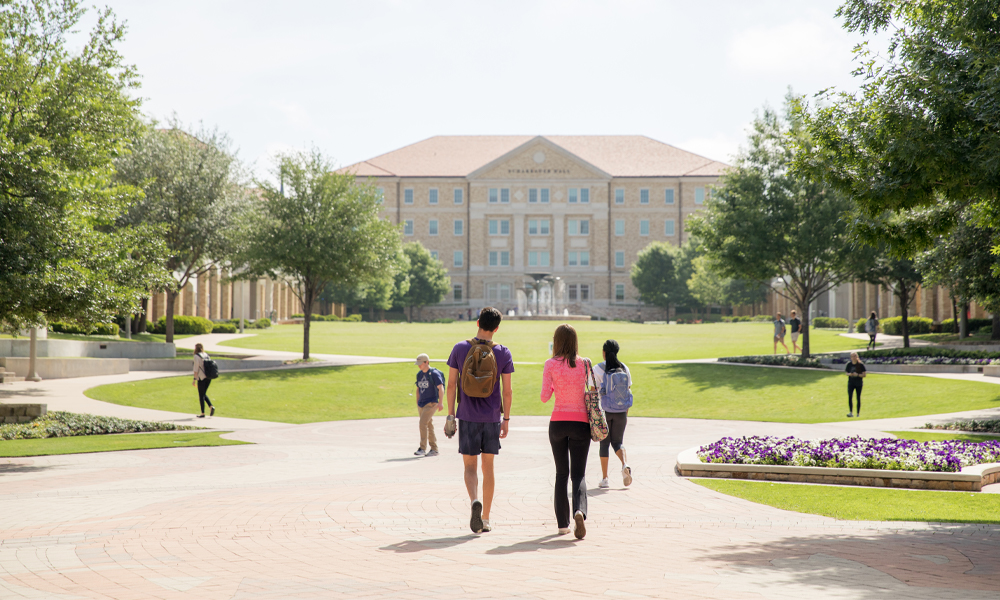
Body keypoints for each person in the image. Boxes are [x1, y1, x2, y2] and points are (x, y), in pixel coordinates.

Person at [445, 307, 514, 534]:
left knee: (469, 466)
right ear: (496, 328)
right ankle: (485, 518)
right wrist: (506, 419)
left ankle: (475, 500)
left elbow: (452, 385)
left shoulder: (460, 348)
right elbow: (507, 391)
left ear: (477, 323)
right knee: (489, 467)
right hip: (492, 417)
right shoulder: (503, 352)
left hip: (466, 416)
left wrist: (450, 415)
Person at [541, 324, 591, 539]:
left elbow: (544, 397)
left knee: (562, 474)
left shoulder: (550, 364)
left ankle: (563, 524)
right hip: (581, 422)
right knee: (578, 474)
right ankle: (579, 510)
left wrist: (555, 386)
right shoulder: (585, 364)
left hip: (558, 422)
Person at [593, 339, 633, 490]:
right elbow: (628, 390)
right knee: (618, 442)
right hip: (621, 412)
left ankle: (605, 479)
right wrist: (624, 413)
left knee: (604, 444)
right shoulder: (624, 368)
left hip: (605, 411)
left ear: (604, 353)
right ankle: (625, 464)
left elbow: (592, 391)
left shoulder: (597, 369)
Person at [414, 353, 444, 457]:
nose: (419, 365)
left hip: (431, 403)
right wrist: (418, 402)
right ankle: (434, 449)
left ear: (427, 362)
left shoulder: (434, 374)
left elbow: (441, 388)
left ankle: (422, 448)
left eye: (420, 363)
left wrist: (440, 403)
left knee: (422, 423)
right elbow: (418, 389)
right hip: (421, 403)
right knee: (428, 425)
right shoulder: (419, 374)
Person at [192, 343, 215, 418]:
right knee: (203, 393)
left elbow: (196, 369)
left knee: (201, 395)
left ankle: (202, 413)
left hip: (201, 377)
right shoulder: (206, 354)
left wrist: (194, 379)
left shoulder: (196, 356)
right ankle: (211, 406)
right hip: (208, 377)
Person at [845, 351, 866, 417]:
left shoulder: (861, 365)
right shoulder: (849, 364)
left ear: (857, 357)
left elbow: (864, 375)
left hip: (858, 383)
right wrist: (850, 374)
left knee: (858, 397)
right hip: (851, 383)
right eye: (852, 356)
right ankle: (851, 412)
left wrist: (857, 375)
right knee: (850, 397)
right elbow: (846, 373)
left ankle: (858, 413)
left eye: (855, 356)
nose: (853, 358)